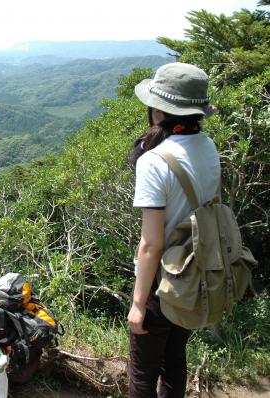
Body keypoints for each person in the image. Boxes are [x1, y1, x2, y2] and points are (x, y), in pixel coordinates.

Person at [128, 62, 220, 397]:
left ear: (158, 109)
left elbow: (151, 244)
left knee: (141, 372)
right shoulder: (208, 147)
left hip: (159, 284)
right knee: (173, 359)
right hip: (195, 276)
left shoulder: (154, 161)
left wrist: (138, 304)